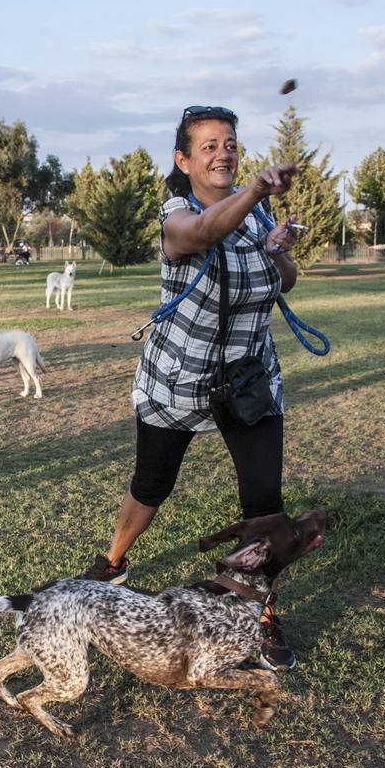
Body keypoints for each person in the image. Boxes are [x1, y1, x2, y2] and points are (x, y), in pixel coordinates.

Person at [78, 104, 303, 672]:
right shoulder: (177, 214)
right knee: (151, 483)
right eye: (208, 145)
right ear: (184, 159)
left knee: (264, 506)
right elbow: (203, 232)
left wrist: (278, 249)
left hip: (249, 378)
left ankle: (260, 613)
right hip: (179, 376)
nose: (222, 152)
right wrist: (255, 191)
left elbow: (285, 281)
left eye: (229, 143)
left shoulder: (255, 215)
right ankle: (113, 563)